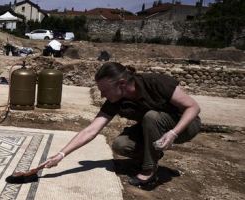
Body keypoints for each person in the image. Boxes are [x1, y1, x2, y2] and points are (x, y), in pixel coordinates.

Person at [43, 62, 201, 188]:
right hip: (153, 128)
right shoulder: (116, 100)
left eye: (104, 90)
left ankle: (149, 172)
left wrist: (173, 133)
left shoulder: (154, 82)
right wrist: (60, 155)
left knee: (151, 116)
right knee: (121, 145)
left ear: (122, 84)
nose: (102, 94)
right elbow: (91, 130)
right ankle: (151, 156)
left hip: (185, 125)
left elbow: (193, 107)